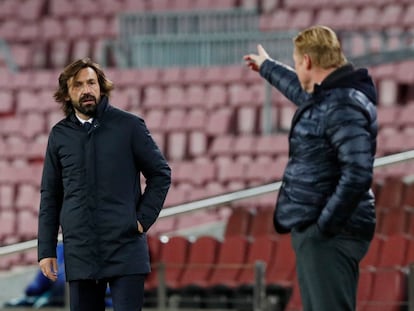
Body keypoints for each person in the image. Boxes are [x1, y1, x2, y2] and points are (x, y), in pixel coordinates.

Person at [244, 25, 377, 311]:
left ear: (307, 61)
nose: (296, 67)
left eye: (295, 61)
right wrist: (267, 67)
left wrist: (324, 226)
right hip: (323, 229)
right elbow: (300, 90)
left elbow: (358, 172)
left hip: (330, 232)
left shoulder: (342, 105)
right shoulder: (332, 97)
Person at [37, 58, 171, 311]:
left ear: (101, 87)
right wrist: (46, 249)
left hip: (125, 246)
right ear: (67, 93)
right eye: (78, 85)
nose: (86, 90)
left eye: (91, 83)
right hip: (80, 251)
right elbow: (50, 195)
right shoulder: (59, 135)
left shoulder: (130, 126)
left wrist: (142, 220)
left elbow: (161, 174)